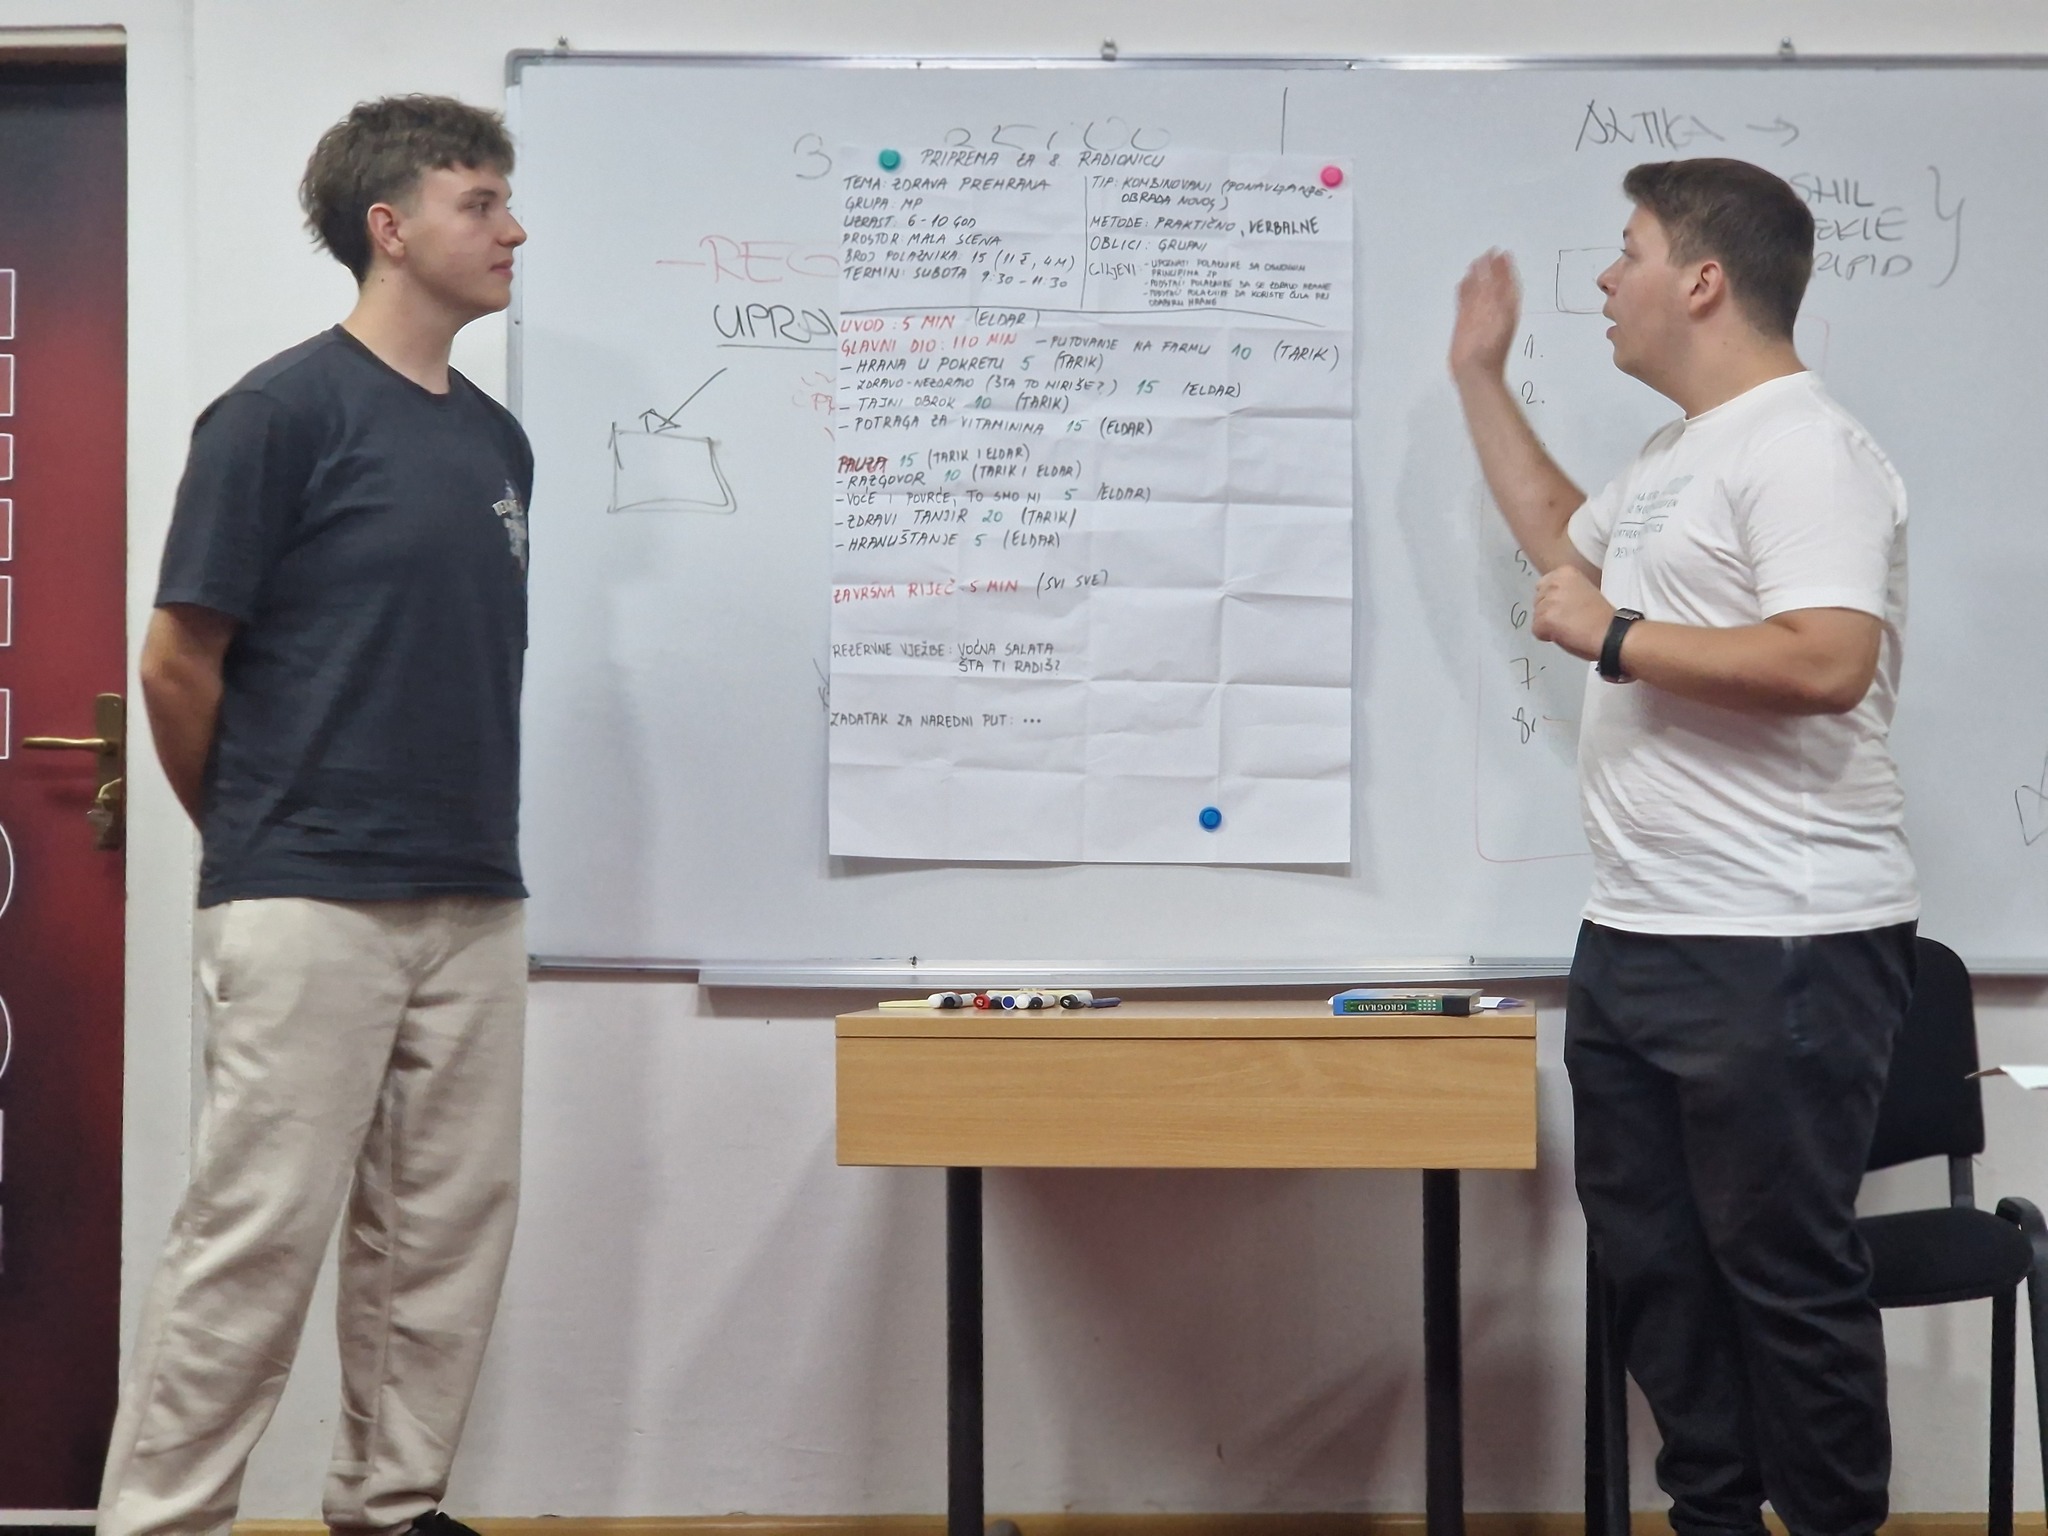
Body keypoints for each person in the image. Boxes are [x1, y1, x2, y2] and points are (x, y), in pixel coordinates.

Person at [1449, 158, 1917, 1536]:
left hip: (1782, 942)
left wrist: (1617, 639)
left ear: (1703, 280)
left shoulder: (1805, 448)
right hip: (1639, 936)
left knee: (1785, 1280)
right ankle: (1713, 1519)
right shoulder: (1676, 458)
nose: (1606, 278)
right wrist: (1480, 377)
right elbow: (1566, 548)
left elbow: (1826, 658)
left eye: (1630, 250)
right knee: (1660, 1276)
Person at [100, 95, 532, 1536]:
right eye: (481, 202)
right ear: (390, 228)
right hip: (305, 896)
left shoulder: (497, 442)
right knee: (255, 1237)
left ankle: (391, 1508)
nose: (513, 229)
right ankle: (161, 1523)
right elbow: (176, 662)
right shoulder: (278, 414)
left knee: (441, 1239)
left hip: (472, 891)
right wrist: (257, 837)